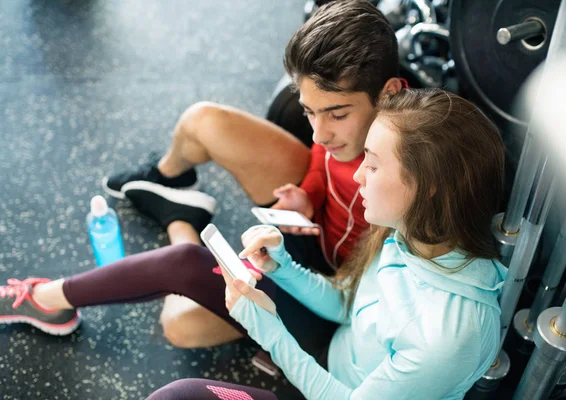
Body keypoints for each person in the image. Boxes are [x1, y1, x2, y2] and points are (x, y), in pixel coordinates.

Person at [0, 0, 404, 353]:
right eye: (309, 112)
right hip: (307, 238)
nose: (318, 132)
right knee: (204, 121)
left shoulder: (415, 175)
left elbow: (376, 306)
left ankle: (180, 219)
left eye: (336, 114)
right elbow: (321, 158)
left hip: (331, 302)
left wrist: (287, 277)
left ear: (389, 93)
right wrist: (307, 196)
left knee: (180, 324)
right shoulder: (340, 131)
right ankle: (169, 181)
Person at [146, 88, 508, 400]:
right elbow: (345, 306)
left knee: (176, 395)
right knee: (183, 262)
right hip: (332, 351)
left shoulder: (448, 338)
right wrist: (282, 265)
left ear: (427, 187)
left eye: (375, 166)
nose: (357, 174)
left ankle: (178, 219)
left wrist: (270, 332)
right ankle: (174, 220)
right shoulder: (409, 235)